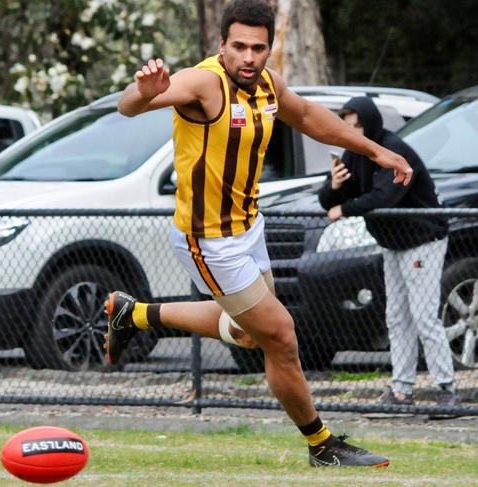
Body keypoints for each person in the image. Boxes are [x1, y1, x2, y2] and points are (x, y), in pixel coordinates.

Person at [106, 0, 412, 468]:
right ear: (221, 45)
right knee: (281, 337)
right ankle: (322, 444)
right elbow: (129, 106)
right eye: (239, 47)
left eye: (259, 48)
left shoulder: (268, 85)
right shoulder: (203, 82)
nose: (248, 57)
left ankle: (136, 313)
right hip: (208, 240)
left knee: (250, 335)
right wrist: (143, 92)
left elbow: (309, 117)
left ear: (270, 48)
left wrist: (376, 151)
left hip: (250, 229)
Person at [318, 96, 461, 407]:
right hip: (392, 244)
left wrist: (346, 207)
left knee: (424, 316)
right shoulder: (354, 152)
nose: (352, 131)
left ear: (370, 123)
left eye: (357, 126)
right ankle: (401, 389)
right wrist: (335, 186)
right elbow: (327, 201)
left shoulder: (392, 148)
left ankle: (447, 389)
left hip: (422, 240)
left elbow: (385, 196)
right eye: (348, 126)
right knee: (396, 316)